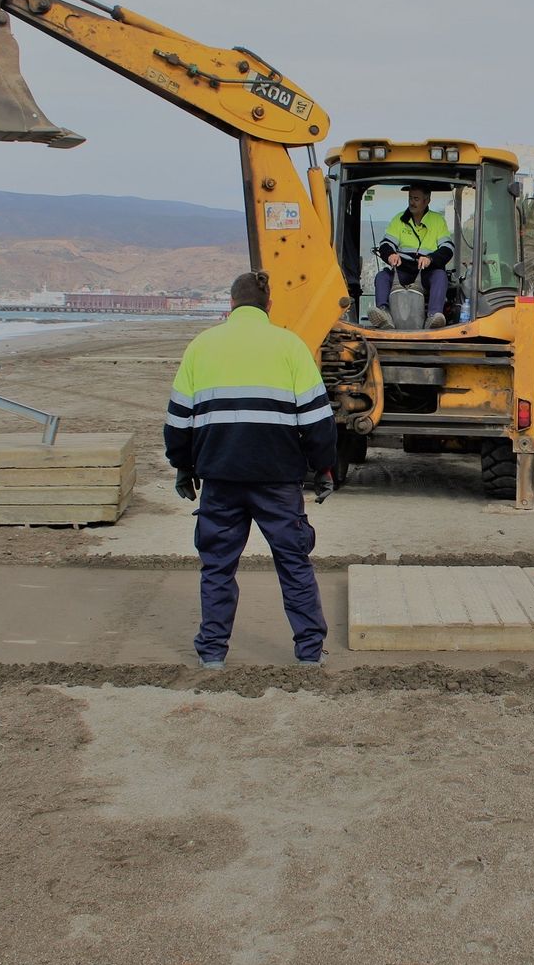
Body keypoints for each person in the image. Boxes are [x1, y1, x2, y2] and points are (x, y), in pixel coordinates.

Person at [165, 272, 338, 668]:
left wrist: (182, 466)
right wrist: (322, 468)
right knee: (293, 563)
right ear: (269, 306)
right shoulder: (290, 347)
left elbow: (178, 421)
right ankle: (309, 653)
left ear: (230, 305)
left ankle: (212, 654)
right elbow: (318, 422)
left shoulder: (201, 347)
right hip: (278, 482)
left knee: (218, 567)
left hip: (220, 480)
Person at [369, 183, 454, 330]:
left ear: (427, 201)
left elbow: (447, 249)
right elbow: (386, 244)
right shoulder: (399, 219)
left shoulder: (438, 221)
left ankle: (434, 317)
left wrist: (430, 259)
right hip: (403, 270)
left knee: (440, 276)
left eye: (416, 198)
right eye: (410, 198)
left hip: (427, 271)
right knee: (382, 276)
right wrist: (390, 255)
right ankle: (384, 315)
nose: (411, 202)